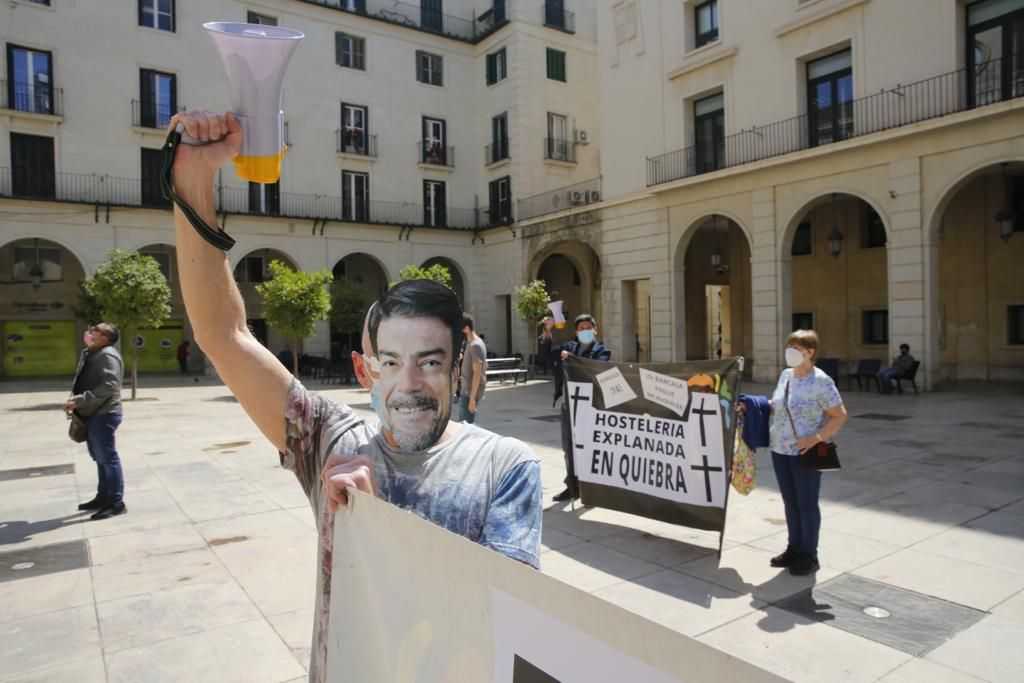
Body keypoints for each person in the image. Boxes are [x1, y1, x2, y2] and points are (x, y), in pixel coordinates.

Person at [167, 109, 542, 683]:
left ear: (456, 368)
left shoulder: (506, 466)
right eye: (390, 362)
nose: (410, 383)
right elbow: (224, 335)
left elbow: (503, 617)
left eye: (430, 361)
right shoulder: (327, 437)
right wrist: (193, 181)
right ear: (364, 371)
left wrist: (376, 524)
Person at [767, 329, 848, 576]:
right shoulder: (786, 376)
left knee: (807, 504)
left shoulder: (821, 381)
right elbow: (776, 406)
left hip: (807, 452)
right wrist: (751, 405)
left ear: (810, 352)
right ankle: (794, 547)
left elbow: (839, 416)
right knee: (790, 502)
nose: (790, 352)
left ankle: (809, 554)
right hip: (780, 448)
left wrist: (816, 438)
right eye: (788, 346)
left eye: (796, 348)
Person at [65, 323, 127, 521]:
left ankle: (116, 502)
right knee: (99, 458)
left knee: (108, 458)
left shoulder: (107, 354)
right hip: (93, 413)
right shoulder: (93, 352)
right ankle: (103, 497)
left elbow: (110, 385)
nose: (89, 332)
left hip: (104, 414)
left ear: (105, 338)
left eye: (95, 331)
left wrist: (80, 400)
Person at [551, 313, 611, 502]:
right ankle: (572, 486)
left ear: (595, 330)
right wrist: (547, 331)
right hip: (570, 405)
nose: (585, 331)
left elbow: (597, 368)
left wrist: (573, 359)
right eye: (581, 328)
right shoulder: (569, 347)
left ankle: (593, 487)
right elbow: (548, 354)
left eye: (588, 328)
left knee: (591, 446)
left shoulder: (602, 350)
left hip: (591, 406)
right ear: (576, 332)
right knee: (569, 446)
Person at [458, 312, 487, 423]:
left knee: (466, 427)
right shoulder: (473, 344)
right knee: (467, 425)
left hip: (469, 392)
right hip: (467, 391)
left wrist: (472, 398)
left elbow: (477, 373)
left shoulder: (475, 345)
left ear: (466, 328)